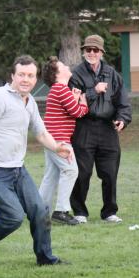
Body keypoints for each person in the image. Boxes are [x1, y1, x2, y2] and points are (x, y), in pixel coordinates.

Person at [0, 55, 73, 267]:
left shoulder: (29, 101)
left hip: (15, 168)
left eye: (30, 75)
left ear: (36, 79)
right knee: (13, 216)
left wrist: (56, 147)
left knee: (40, 210)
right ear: (12, 76)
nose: (26, 79)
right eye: (21, 74)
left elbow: (40, 133)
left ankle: (46, 259)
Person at [68, 34, 132, 223]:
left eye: (95, 50)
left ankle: (109, 212)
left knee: (110, 172)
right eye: (88, 49)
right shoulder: (76, 74)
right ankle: (80, 212)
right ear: (84, 52)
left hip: (107, 129)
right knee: (82, 173)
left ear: (101, 52)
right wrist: (93, 91)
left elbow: (123, 102)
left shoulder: (113, 74)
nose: (92, 53)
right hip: (83, 127)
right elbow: (72, 103)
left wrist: (122, 119)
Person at [38, 57, 88, 225]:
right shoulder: (61, 88)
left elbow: (66, 109)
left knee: (51, 176)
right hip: (59, 140)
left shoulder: (58, 90)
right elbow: (77, 112)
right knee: (71, 170)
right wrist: (83, 102)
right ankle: (61, 211)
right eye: (63, 66)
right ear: (57, 74)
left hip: (51, 139)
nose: (67, 66)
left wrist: (73, 98)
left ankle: (39, 212)